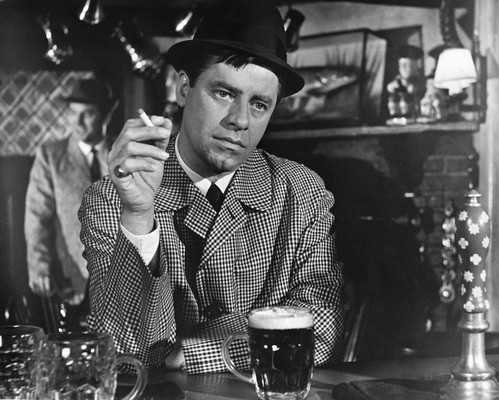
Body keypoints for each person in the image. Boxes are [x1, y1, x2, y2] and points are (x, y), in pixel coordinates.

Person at [79, 0, 349, 374]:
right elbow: (122, 353)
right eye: (224, 93)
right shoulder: (113, 198)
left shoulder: (302, 192)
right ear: (183, 88)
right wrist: (139, 215)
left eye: (259, 104)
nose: (240, 120)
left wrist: (191, 354)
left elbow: (323, 329)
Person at [25, 76, 116, 332]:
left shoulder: (124, 153)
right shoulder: (50, 156)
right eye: (73, 113)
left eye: (87, 114)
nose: (77, 122)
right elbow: (37, 217)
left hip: (121, 278)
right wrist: (39, 266)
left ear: (106, 114)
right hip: (71, 278)